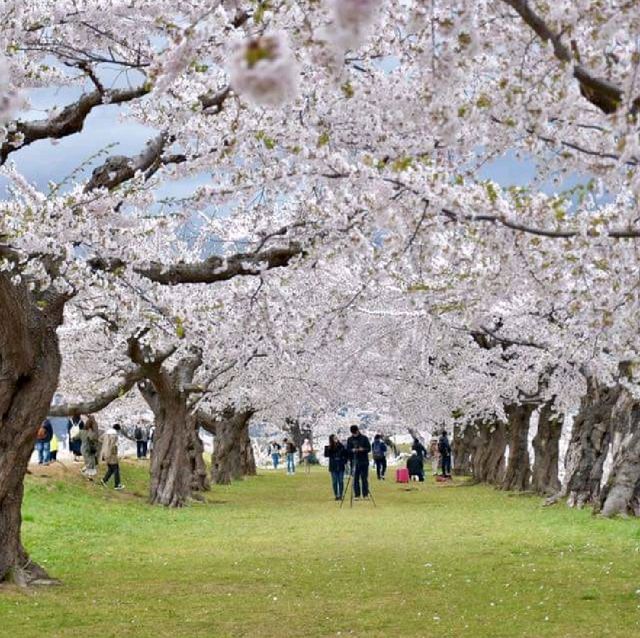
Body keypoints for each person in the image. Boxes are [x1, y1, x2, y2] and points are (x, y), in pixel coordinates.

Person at [346, 425, 371, 499]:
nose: (354, 434)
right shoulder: (350, 439)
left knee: (364, 478)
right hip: (354, 461)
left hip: (364, 461)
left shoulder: (364, 438)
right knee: (355, 479)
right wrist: (352, 450)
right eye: (353, 433)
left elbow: (369, 449)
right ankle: (357, 495)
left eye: (355, 433)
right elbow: (348, 449)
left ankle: (365, 494)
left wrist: (362, 449)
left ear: (358, 430)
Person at [100, 423, 125, 490]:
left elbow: (100, 439)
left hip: (105, 453)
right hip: (111, 454)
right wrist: (114, 451)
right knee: (116, 468)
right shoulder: (114, 435)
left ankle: (104, 480)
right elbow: (112, 445)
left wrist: (105, 446)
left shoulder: (106, 434)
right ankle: (117, 484)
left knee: (111, 469)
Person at [324, 434, 347, 500]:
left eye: (336, 438)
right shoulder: (329, 447)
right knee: (334, 481)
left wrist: (338, 443)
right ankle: (336, 495)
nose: (336, 439)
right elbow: (326, 454)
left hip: (340, 465)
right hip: (333, 466)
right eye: (334, 438)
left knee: (341, 481)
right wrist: (331, 446)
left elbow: (345, 453)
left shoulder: (341, 446)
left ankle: (341, 495)